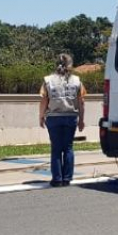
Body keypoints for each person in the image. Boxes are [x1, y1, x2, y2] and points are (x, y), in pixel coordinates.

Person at [39, 54, 86, 187]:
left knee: (56, 149)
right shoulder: (77, 81)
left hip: (53, 118)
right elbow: (81, 102)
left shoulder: (48, 80)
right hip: (71, 117)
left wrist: (41, 116)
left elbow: (44, 100)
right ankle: (67, 178)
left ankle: (57, 179)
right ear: (70, 65)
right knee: (68, 148)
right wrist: (81, 120)